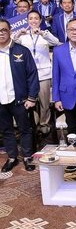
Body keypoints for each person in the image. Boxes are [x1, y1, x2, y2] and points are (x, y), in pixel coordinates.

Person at [0, 19, 40, 172]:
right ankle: (12, 157)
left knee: (25, 129)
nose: (1, 33)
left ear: (10, 31)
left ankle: (28, 157)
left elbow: (32, 75)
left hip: (20, 100)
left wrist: (31, 97)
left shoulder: (22, 51)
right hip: (1, 101)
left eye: (4, 30)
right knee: (6, 130)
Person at [13, 11, 60, 136]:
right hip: (27, 75)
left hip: (43, 74)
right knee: (29, 101)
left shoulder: (45, 34)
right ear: (27, 20)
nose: (33, 21)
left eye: (36, 19)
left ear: (40, 21)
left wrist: (43, 34)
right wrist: (18, 34)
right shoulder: (23, 36)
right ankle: (32, 124)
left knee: (44, 102)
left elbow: (56, 42)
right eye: (31, 18)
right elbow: (10, 44)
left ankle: (44, 125)